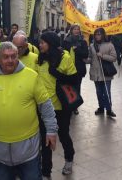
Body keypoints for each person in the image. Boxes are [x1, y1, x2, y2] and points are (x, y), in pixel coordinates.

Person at [0, 42, 57, 180]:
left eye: (13, 56)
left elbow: (46, 106)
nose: (10, 60)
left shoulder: (31, 76)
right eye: (5, 57)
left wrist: (51, 131)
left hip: (28, 149)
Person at [36, 31, 77, 178]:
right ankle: (46, 172)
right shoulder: (39, 59)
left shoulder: (64, 58)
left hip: (61, 106)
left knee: (63, 134)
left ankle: (69, 159)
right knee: (45, 139)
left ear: (51, 43)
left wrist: (56, 73)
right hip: (43, 107)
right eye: (39, 42)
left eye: (42, 42)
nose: (39, 45)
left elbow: (74, 79)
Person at [85, 28, 117, 117]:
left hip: (106, 73)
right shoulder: (92, 46)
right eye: (96, 34)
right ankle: (101, 107)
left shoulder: (109, 45)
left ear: (103, 35)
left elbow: (114, 58)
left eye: (99, 34)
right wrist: (85, 60)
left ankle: (109, 109)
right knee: (99, 92)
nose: (97, 36)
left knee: (106, 92)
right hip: (96, 73)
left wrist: (103, 56)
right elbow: (90, 58)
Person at [62, 24, 89, 115]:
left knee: (77, 87)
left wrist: (77, 49)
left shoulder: (83, 42)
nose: (76, 31)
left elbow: (85, 54)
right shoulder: (66, 41)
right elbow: (62, 53)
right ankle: (69, 104)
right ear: (71, 30)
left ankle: (75, 106)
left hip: (79, 68)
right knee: (69, 87)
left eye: (78, 29)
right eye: (74, 29)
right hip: (68, 68)